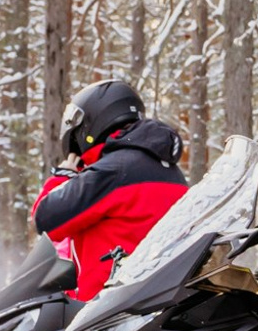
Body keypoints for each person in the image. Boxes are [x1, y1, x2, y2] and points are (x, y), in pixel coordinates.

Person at [33, 79, 190, 298]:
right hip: (156, 303)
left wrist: (62, 177)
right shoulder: (174, 174)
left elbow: (45, 219)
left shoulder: (112, 172)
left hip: (106, 308)